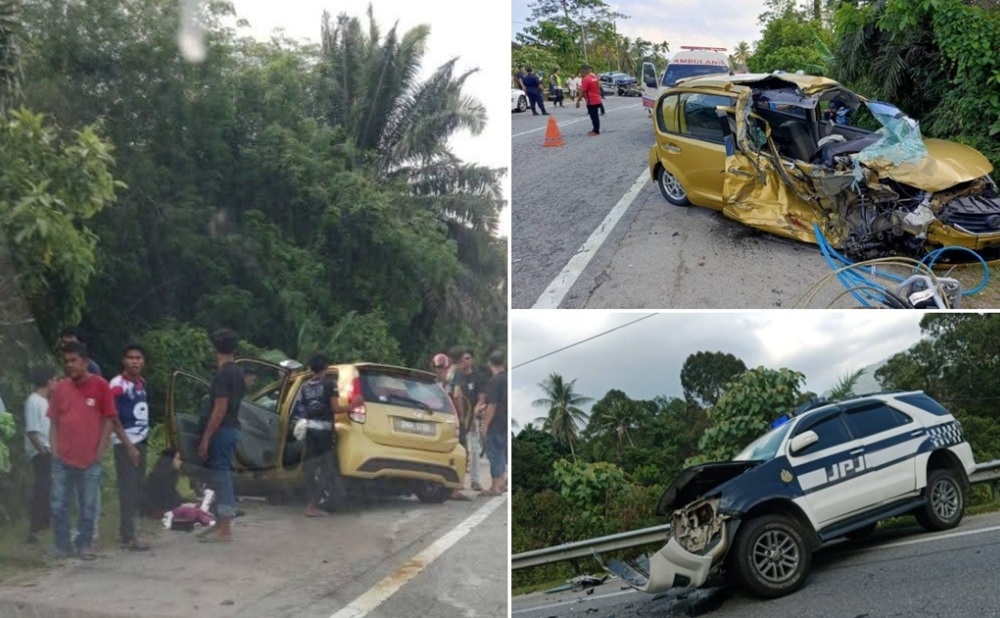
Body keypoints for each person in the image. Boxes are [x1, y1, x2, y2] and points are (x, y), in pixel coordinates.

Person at [48, 342, 133, 560]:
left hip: (90, 458)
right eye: (66, 362)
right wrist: (54, 449)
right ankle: (61, 544)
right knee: (59, 504)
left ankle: (84, 544)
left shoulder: (100, 385)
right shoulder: (60, 389)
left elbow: (109, 418)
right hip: (62, 458)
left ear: (85, 362)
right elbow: (54, 421)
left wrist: (101, 448)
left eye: (74, 361)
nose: (70, 365)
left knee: (88, 505)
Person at [198, 328, 244, 543]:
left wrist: (206, 437)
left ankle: (225, 527)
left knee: (222, 475)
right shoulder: (238, 372)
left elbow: (220, 408)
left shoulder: (223, 374)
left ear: (214, 348)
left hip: (222, 430)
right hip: (233, 428)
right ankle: (220, 522)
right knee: (220, 475)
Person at [109, 344, 151, 551]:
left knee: (137, 488)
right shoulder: (117, 385)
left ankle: (128, 532)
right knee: (129, 489)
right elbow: (113, 417)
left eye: (138, 358)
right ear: (124, 361)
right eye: (131, 358)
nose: (135, 361)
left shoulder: (141, 383)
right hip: (127, 443)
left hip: (141, 440)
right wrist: (128, 445)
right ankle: (130, 535)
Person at [291, 352, 339, 517]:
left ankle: (310, 502)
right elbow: (336, 408)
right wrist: (355, 404)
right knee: (327, 469)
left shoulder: (305, 386)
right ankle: (312, 506)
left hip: (310, 430)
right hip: (325, 432)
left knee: (310, 468)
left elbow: (301, 407)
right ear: (326, 366)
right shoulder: (330, 384)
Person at [24, 366, 56, 544]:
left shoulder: (46, 401)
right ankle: (35, 527)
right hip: (40, 452)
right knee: (42, 489)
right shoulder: (34, 401)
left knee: (49, 489)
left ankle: (46, 522)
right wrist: (42, 450)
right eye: (54, 379)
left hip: (48, 450)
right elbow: (32, 430)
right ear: (48, 381)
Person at [451, 349, 487, 492]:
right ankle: (457, 482)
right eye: (462, 359)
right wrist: (460, 415)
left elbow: (481, 399)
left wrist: (472, 416)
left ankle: (475, 481)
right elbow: (455, 395)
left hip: (472, 417)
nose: (464, 361)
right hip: (458, 417)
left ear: (471, 360)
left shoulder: (478, 377)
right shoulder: (457, 376)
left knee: (474, 450)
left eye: (467, 358)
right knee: (460, 450)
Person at [479, 350, 507, 497]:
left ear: (490, 363)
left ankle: (495, 486)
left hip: (496, 423)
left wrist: (485, 425)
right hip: (505, 423)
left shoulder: (495, 381)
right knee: (501, 454)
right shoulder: (508, 378)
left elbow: (492, 405)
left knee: (494, 454)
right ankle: (501, 484)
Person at [576, 65, 603, 136]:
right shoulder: (594, 77)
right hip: (597, 99)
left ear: (584, 70)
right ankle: (595, 129)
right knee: (595, 115)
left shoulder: (586, 79)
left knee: (593, 116)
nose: (582, 73)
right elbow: (599, 86)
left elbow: (582, 91)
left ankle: (596, 131)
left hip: (591, 100)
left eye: (582, 71)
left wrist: (578, 101)